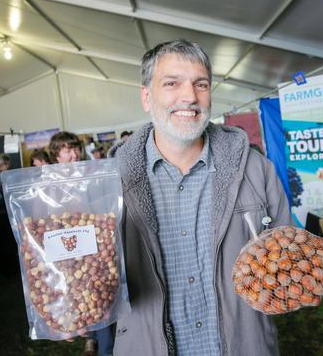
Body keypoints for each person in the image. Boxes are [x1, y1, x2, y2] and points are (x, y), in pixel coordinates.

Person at [108, 39, 290, 355]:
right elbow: (92, 276)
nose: (190, 97)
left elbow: (288, 255)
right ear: (146, 97)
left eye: (201, 84)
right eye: (172, 83)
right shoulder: (110, 182)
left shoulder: (256, 169)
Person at [48, 131, 115, 356]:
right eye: (67, 150)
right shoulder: (49, 182)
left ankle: (104, 347)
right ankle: (90, 337)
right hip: (67, 253)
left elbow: (103, 209)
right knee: (78, 299)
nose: (74, 154)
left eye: (75, 148)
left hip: (93, 250)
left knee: (99, 299)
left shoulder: (91, 176)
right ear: (56, 154)